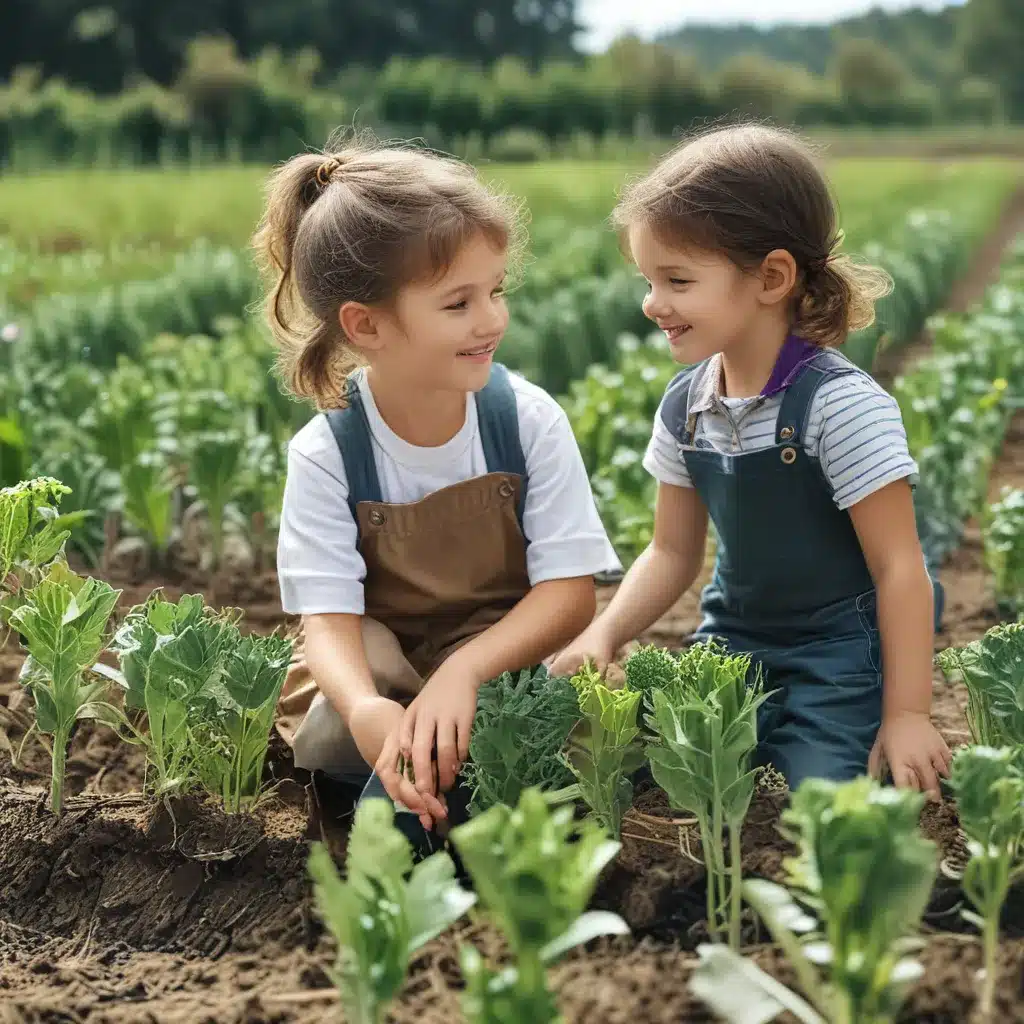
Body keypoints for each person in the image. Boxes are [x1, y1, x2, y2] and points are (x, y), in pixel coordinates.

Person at [552, 124, 952, 799]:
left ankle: (836, 731)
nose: (653, 304)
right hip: (734, 637)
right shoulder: (686, 405)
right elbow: (671, 552)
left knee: (823, 797)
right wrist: (605, 632)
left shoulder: (841, 407)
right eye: (649, 280)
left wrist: (908, 713)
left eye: (677, 280)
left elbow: (900, 569)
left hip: (839, 652)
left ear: (772, 277)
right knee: (650, 767)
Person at [255, 138, 619, 849]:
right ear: (367, 325)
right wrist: (365, 707)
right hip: (388, 666)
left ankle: (425, 796)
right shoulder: (328, 450)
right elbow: (328, 624)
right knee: (340, 713)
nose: (491, 320)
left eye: (496, 291)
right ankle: (398, 784)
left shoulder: (526, 421)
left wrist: (465, 671)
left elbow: (571, 595)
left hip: (502, 654)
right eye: (458, 303)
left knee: (560, 702)